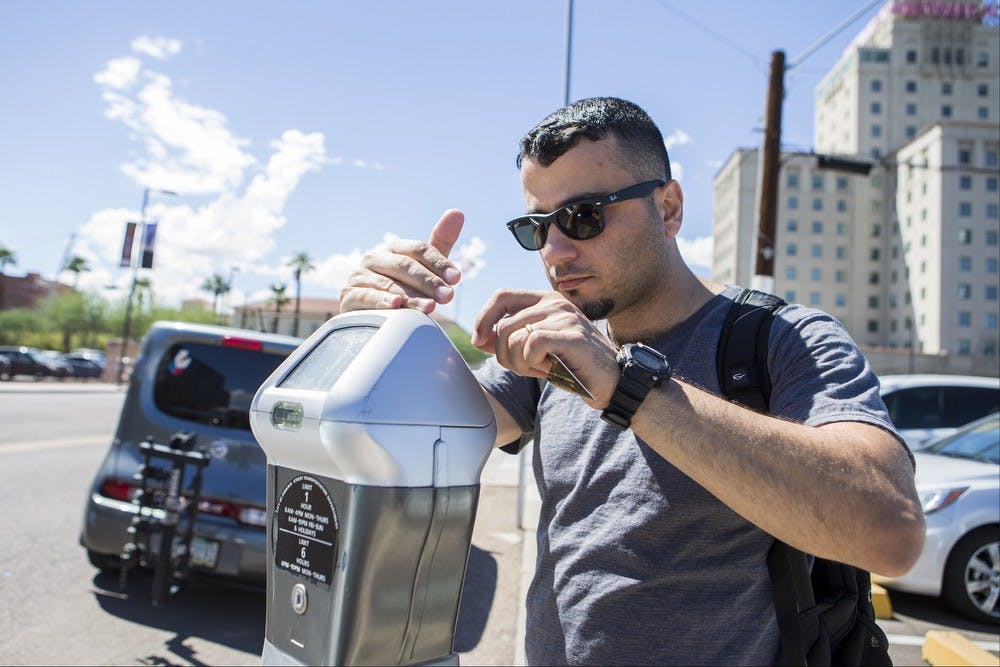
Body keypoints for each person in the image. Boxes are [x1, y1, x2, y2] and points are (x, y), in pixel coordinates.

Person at [340, 97, 924, 665]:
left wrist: (627, 386)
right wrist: (378, 331)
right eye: (536, 227)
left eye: (584, 216)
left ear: (668, 208)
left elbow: (890, 534)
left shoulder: (780, 340)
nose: (556, 251)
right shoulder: (559, 351)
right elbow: (420, 429)